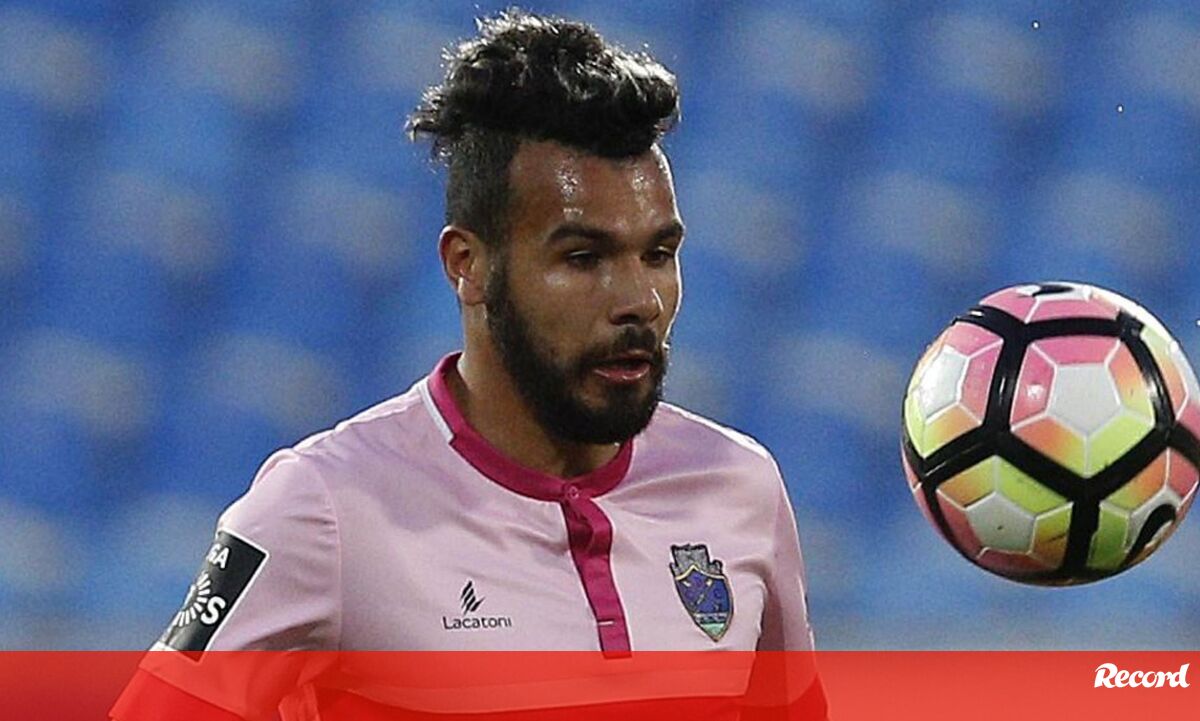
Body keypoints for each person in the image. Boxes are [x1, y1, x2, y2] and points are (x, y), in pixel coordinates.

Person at [111, 9, 826, 720]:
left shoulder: (740, 489)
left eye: (658, 254)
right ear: (468, 265)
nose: (639, 300)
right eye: (583, 258)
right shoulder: (325, 508)